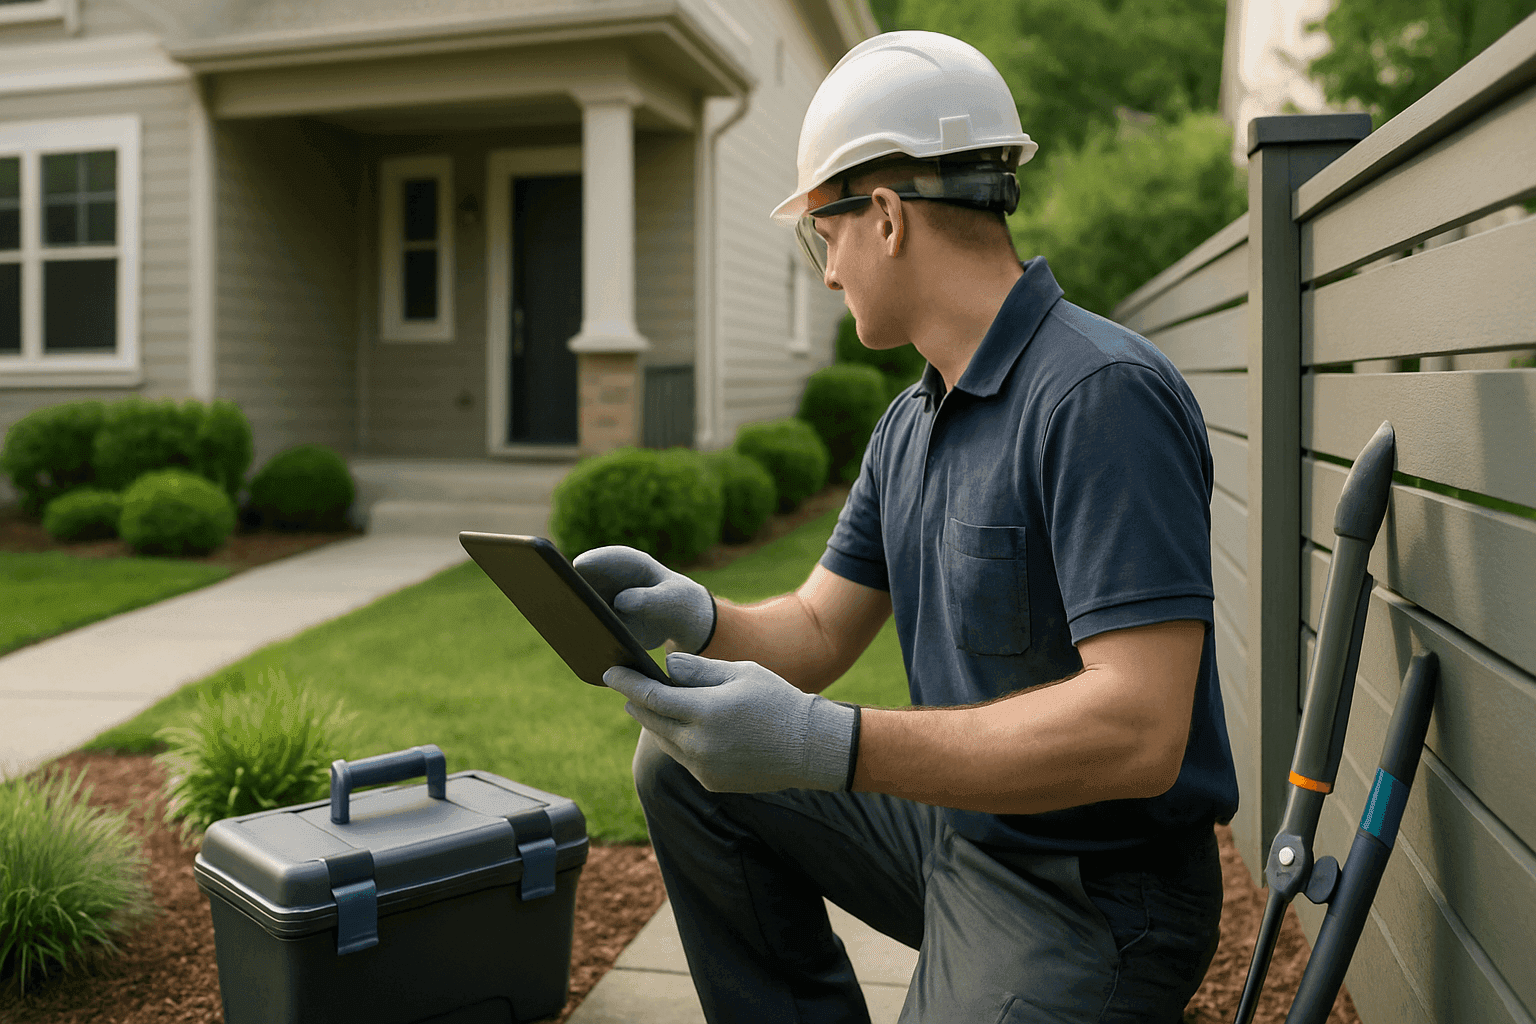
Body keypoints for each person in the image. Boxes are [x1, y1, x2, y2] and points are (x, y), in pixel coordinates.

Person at [576, 30, 1239, 1024]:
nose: (828, 272)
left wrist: (834, 745)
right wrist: (697, 614)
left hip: (1094, 892)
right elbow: (816, 632)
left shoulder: (1100, 396)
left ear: (884, 217)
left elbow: (1141, 729)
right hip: (960, 834)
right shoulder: (912, 422)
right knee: (679, 761)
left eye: (824, 234)